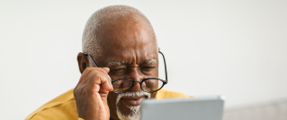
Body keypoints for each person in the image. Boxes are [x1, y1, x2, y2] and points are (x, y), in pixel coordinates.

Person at [25, 5, 191, 120]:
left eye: (147, 68)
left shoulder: (190, 112)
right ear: (85, 66)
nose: (137, 86)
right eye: (119, 69)